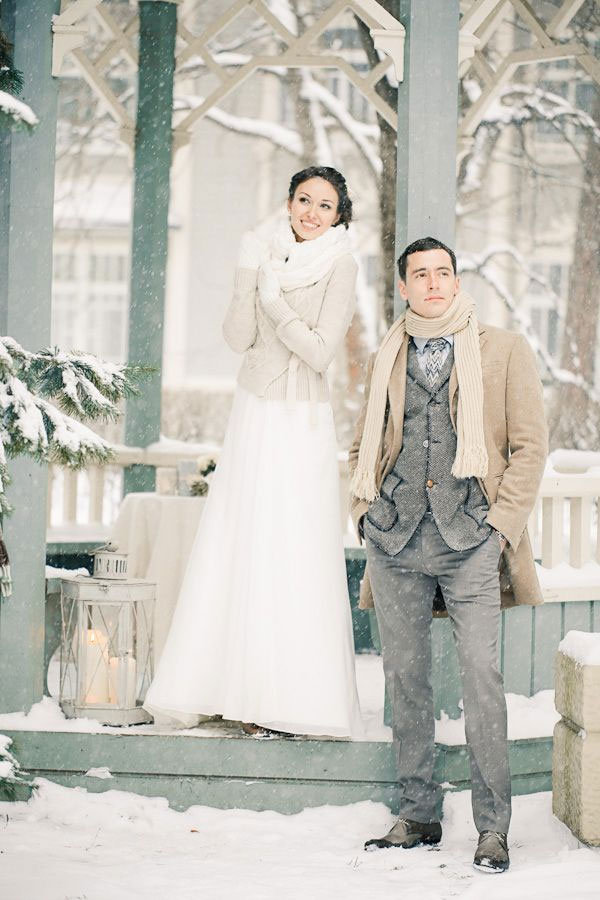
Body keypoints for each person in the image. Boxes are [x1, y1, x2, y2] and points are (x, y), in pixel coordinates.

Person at [349, 236, 548, 872]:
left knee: (481, 681)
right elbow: (364, 444)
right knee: (404, 681)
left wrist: (498, 526)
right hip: (396, 537)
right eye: (420, 275)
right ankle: (419, 814)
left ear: (457, 282)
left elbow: (529, 448)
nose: (433, 283)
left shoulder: (504, 350)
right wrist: (363, 515)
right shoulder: (387, 353)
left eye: (444, 273)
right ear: (403, 287)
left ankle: (494, 828)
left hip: (470, 540)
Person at [144, 166, 362, 739]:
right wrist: (250, 276)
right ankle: (223, 687)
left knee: (291, 543)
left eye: (326, 204)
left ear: (340, 215)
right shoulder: (266, 255)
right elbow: (238, 338)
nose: (312, 212)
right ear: (288, 203)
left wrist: (279, 304)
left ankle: (291, 695)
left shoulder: (342, 264)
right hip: (253, 414)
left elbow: (318, 352)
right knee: (239, 537)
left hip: (301, 418)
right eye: (304, 200)